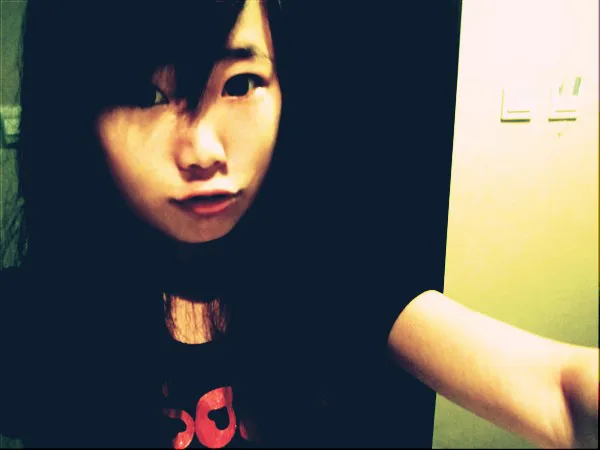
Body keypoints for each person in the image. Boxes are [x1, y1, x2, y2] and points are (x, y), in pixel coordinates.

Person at [0, 0, 597, 448]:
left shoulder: (332, 278)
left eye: (240, 84)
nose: (203, 150)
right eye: (147, 95)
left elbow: (560, 396)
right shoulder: (35, 318)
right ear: (78, 115)